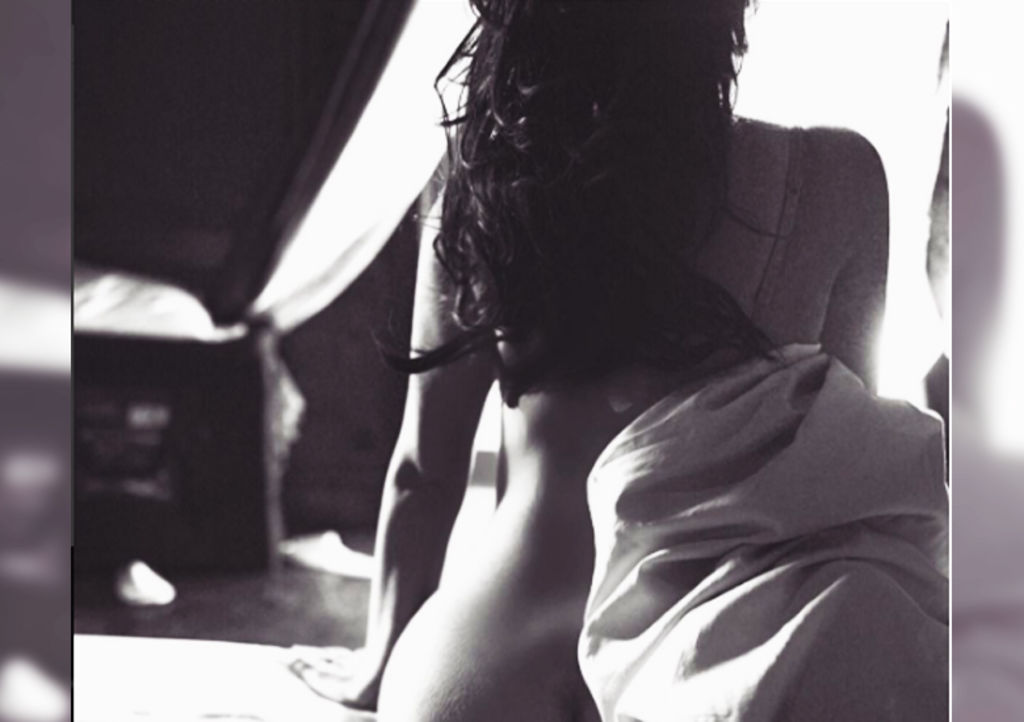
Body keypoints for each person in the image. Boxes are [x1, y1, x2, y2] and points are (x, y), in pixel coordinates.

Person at [342, 2, 947, 720]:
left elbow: (424, 474)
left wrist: (377, 667)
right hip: (712, 664)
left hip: (481, 670)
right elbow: (843, 477)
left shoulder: (484, 181)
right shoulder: (838, 177)